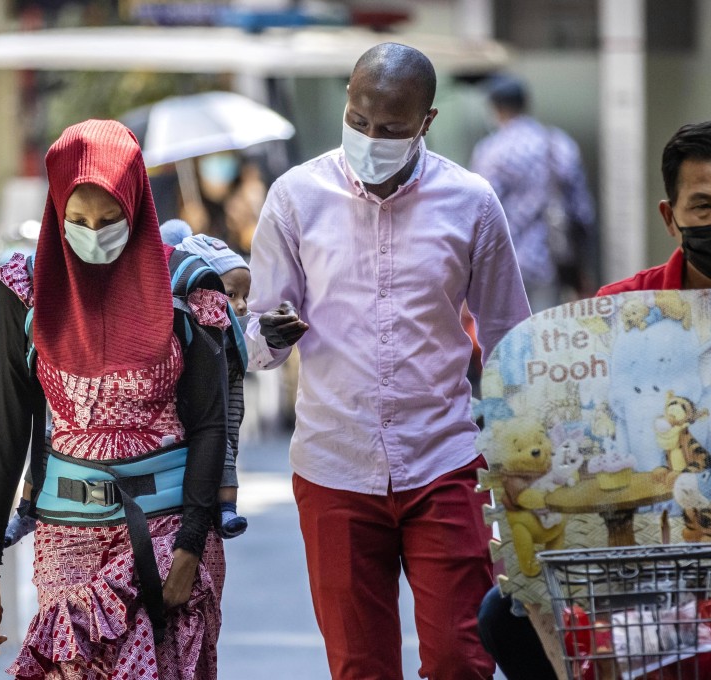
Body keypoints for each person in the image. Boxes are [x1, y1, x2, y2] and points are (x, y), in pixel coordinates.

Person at [244, 43, 531, 680]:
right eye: (359, 121)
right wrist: (271, 333)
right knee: (359, 665)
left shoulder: (473, 203)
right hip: (333, 466)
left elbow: (514, 340)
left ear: (425, 122)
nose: (371, 138)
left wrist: (524, 466)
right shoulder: (294, 199)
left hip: (445, 461)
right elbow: (257, 343)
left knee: (463, 658)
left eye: (392, 129)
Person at [478, 118, 711, 679]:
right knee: (501, 616)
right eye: (701, 206)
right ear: (670, 217)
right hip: (658, 559)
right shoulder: (616, 312)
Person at [0, 119, 230, 678]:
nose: (94, 234)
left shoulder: (186, 287)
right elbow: (6, 431)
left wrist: (189, 546)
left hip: (171, 530)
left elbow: (210, 424)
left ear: (136, 205)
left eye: (110, 221)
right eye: (78, 221)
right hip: (67, 539)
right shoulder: (25, 291)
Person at [470, 74, 597, 311]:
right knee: (546, 335)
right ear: (526, 103)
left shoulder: (490, 152)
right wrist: (582, 263)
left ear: (495, 109)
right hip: (554, 259)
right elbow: (583, 211)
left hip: (506, 264)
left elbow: (479, 214)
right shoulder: (559, 143)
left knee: (510, 338)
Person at [175, 231, 253, 538]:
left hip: (228, 403)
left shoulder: (235, 338)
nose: (244, 306)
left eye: (247, 296)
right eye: (233, 295)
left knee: (226, 443)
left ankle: (227, 509)